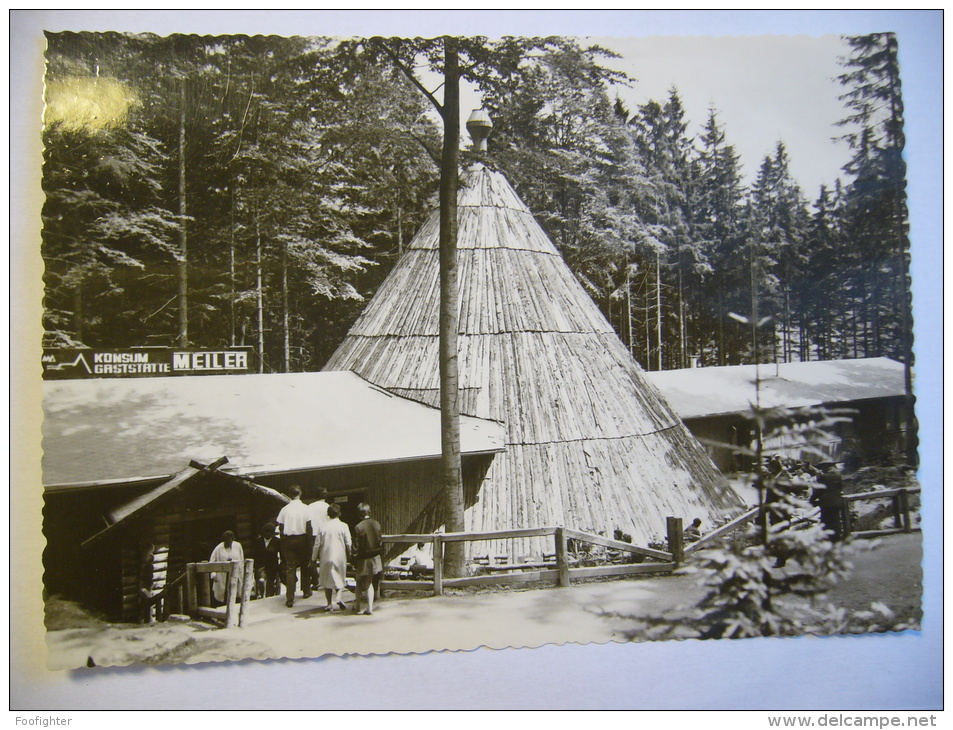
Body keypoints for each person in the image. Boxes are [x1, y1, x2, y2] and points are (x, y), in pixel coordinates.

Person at [276, 485, 312, 607]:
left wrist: (284, 541)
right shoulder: (306, 509)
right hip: (302, 539)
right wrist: (309, 543)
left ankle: (290, 598)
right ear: (300, 493)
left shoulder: (285, 510)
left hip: (288, 540)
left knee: (290, 568)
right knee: (304, 565)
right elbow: (309, 528)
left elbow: (280, 527)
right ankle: (306, 591)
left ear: (289, 494)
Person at [315, 503, 352, 612]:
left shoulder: (322, 526)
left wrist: (313, 558)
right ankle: (339, 597)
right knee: (339, 577)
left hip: (326, 555)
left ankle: (329, 604)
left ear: (328, 514)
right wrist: (350, 554)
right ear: (339, 513)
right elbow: (348, 542)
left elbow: (317, 544)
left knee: (327, 580)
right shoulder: (344, 526)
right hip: (340, 555)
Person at [353, 502, 383, 616]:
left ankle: (358, 607)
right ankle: (370, 607)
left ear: (359, 514)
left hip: (363, 558)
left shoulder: (358, 527)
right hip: (375, 557)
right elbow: (380, 540)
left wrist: (353, 559)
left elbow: (355, 547)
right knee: (369, 582)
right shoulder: (376, 524)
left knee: (359, 581)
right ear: (369, 512)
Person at [812, 466, 847, 542]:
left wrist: (812, 500)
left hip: (826, 502)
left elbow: (818, 490)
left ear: (825, 468)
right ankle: (837, 538)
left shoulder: (822, 477)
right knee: (836, 520)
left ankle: (828, 539)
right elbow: (840, 487)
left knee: (826, 520)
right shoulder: (838, 476)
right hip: (837, 501)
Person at [209, 530, 245, 605]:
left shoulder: (237, 546)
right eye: (227, 541)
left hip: (236, 573)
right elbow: (212, 562)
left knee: (236, 593)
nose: (228, 543)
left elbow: (241, 560)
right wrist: (213, 574)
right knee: (224, 595)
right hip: (222, 576)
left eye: (230, 541)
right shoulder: (218, 548)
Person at [308, 488, 331, 590]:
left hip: (313, 534)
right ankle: (325, 580)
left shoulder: (310, 507)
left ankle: (315, 581)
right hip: (325, 534)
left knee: (312, 559)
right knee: (325, 557)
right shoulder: (328, 507)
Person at [252, 522, 281, 598]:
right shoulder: (258, 541)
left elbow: (281, 555)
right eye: (266, 533)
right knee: (261, 580)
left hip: (273, 567)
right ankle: (261, 595)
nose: (268, 535)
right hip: (261, 566)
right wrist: (256, 567)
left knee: (270, 584)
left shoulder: (277, 541)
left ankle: (269, 596)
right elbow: (255, 555)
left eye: (270, 533)